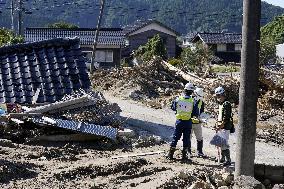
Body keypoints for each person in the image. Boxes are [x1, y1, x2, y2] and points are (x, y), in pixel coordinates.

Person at [167, 82, 197, 161]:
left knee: (175, 138)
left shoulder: (178, 99)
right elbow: (195, 113)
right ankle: (184, 157)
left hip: (179, 122)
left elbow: (173, 108)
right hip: (188, 122)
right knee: (186, 139)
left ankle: (170, 155)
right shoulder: (193, 101)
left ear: (184, 90)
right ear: (191, 92)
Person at [214, 86, 233, 166]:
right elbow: (220, 116)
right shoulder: (221, 104)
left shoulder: (226, 104)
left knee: (224, 143)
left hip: (225, 127)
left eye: (218, 96)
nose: (218, 97)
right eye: (217, 96)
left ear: (222, 95)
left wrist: (220, 126)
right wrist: (216, 124)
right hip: (221, 126)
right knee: (220, 142)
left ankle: (228, 160)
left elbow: (226, 117)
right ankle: (222, 158)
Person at [190, 87, 205, 157]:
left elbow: (202, 112)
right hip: (189, 122)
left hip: (197, 123)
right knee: (188, 137)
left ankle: (200, 151)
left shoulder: (201, 102)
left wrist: (203, 119)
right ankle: (188, 151)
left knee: (199, 138)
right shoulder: (190, 100)